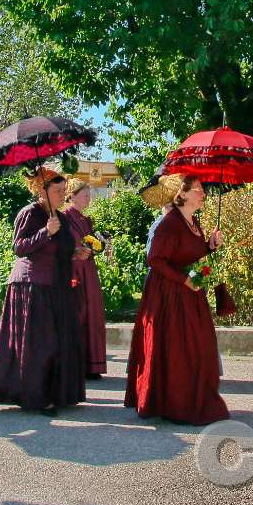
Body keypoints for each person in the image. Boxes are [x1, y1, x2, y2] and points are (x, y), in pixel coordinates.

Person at [125, 174, 228, 425]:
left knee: (197, 346)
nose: (203, 194)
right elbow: (155, 259)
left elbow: (189, 252)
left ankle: (193, 399)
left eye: (202, 189)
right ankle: (174, 404)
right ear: (182, 194)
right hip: (168, 295)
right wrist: (183, 280)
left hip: (189, 294)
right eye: (198, 189)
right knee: (177, 348)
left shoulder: (192, 221)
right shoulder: (169, 224)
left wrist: (209, 246)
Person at [0, 169, 86, 413]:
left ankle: (55, 393)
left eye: (64, 191)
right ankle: (36, 395)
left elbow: (61, 249)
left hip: (57, 284)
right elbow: (19, 247)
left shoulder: (60, 217)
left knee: (57, 342)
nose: (62, 195)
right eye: (57, 191)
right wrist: (45, 232)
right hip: (33, 285)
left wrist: (76, 253)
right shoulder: (30, 213)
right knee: (41, 343)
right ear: (42, 191)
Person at [63, 178, 107, 379]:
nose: (88, 199)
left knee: (93, 314)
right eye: (85, 195)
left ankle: (92, 365)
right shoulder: (64, 218)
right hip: (73, 270)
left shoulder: (86, 220)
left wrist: (100, 245)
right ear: (72, 196)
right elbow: (59, 245)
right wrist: (74, 251)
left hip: (88, 270)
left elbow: (91, 245)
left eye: (89, 195)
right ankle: (75, 365)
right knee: (77, 314)